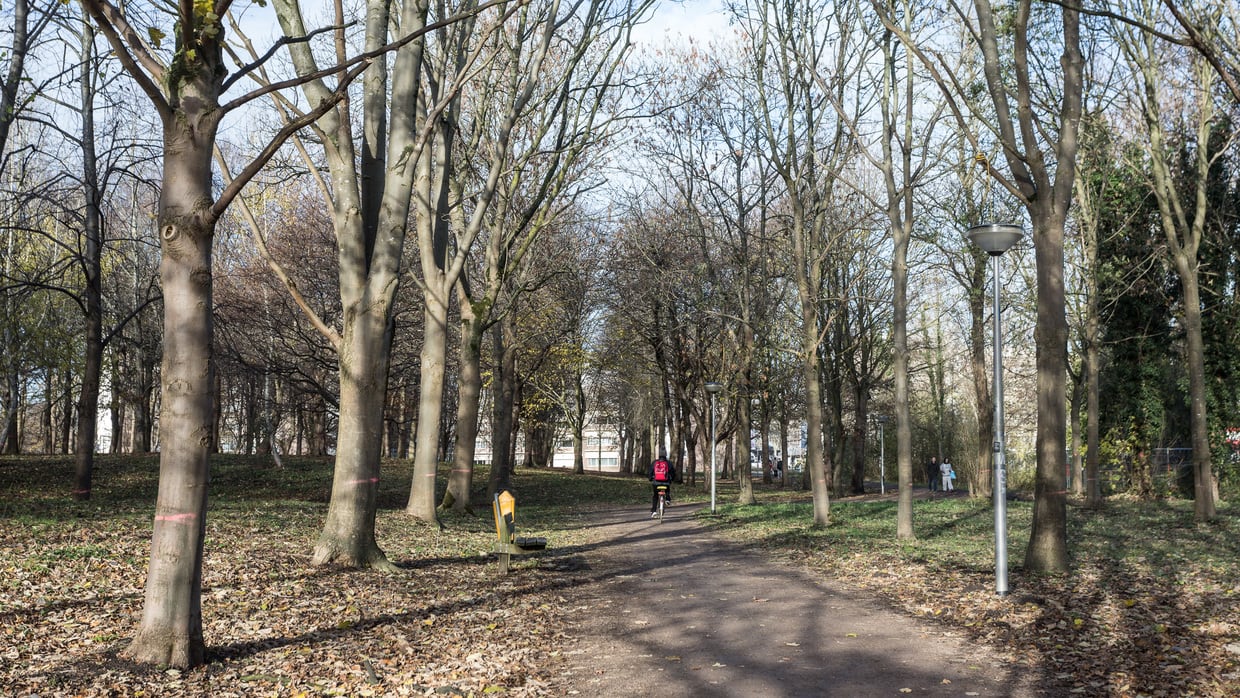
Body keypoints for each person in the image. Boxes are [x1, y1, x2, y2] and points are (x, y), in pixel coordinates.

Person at [650, 449, 676, 516]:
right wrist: (672, 479)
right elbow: (673, 473)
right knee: (667, 490)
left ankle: (654, 511)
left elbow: (650, 472)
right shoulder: (669, 463)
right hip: (666, 483)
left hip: (656, 483)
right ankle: (667, 499)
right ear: (666, 454)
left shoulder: (654, 462)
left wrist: (651, 478)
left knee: (655, 496)